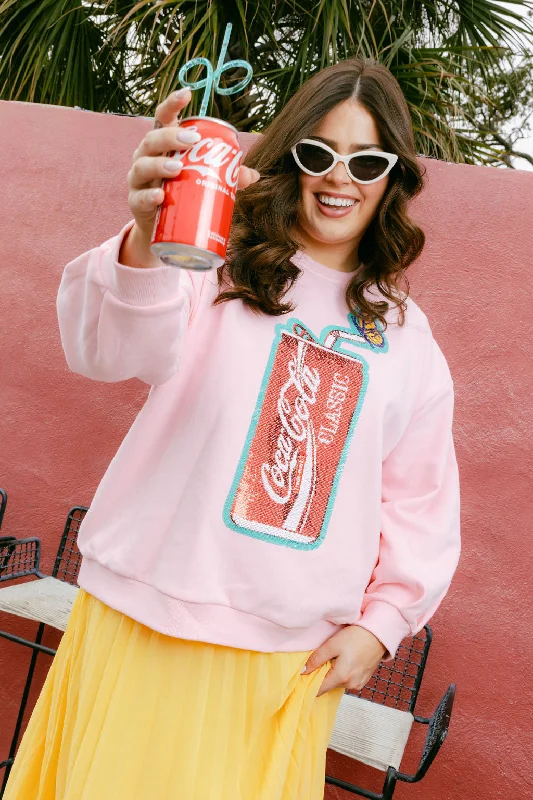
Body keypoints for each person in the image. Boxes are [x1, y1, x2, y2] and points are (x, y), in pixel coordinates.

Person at [5, 57, 460, 800]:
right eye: (317, 154)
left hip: (282, 664)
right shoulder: (210, 262)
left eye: (367, 160)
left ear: (393, 178)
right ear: (289, 160)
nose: (338, 178)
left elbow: (420, 502)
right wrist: (149, 236)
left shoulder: (407, 339)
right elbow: (105, 351)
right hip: (141, 623)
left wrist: (381, 625)